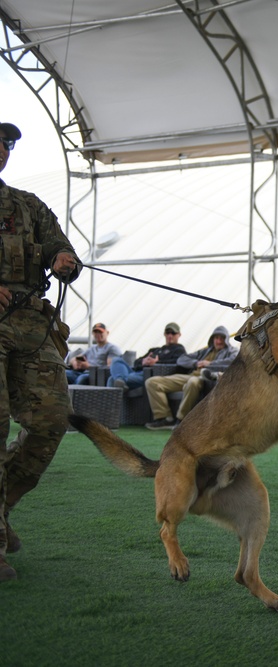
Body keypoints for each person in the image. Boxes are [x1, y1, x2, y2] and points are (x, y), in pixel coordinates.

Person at [0, 119, 82, 581]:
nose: (0, 150)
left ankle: (2, 506)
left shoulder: (27, 205)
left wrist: (63, 259)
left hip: (32, 324)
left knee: (52, 420)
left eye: (6, 145)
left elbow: (58, 245)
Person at [143, 325, 237, 430]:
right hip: (191, 375)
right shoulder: (205, 351)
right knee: (152, 382)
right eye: (216, 338)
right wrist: (195, 363)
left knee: (192, 382)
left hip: (207, 378)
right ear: (212, 339)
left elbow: (233, 360)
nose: (218, 341)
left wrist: (209, 363)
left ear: (226, 339)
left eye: (221, 338)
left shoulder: (231, 351)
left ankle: (181, 420)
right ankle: (164, 418)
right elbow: (181, 359)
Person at [107, 322, 186, 390]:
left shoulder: (179, 350)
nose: (170, 335)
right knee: (116, 360)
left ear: (179, 335)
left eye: (173, 333)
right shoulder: (155, 350)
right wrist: (143, 361)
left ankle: (120, 382)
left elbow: (178, 363)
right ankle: (121, 380)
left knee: (112, 379)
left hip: (149, 376)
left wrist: (156, 363)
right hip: (136, 372)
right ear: (164, 334)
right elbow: (136, 362)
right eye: (168, 333)